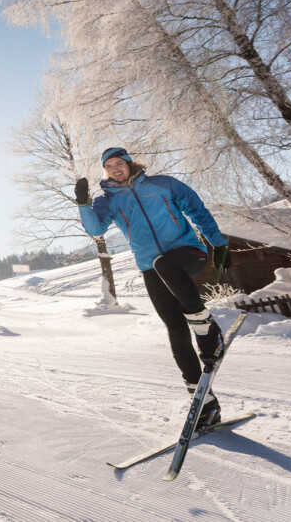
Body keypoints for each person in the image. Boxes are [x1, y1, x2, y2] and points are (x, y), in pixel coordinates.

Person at [75, 147, 231, 429]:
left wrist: (217, 242)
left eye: (118, 163)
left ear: (129, 163)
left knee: (166, 265)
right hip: (151, 266)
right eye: (109, 166)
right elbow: (96, 230)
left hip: (188, 253)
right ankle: (204, 404)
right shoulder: (108, 201)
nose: (114, 168)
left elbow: (196, 208)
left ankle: (208, 330)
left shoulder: (162, 184)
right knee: (174, 327)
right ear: (105, 171)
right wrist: (83, 204)